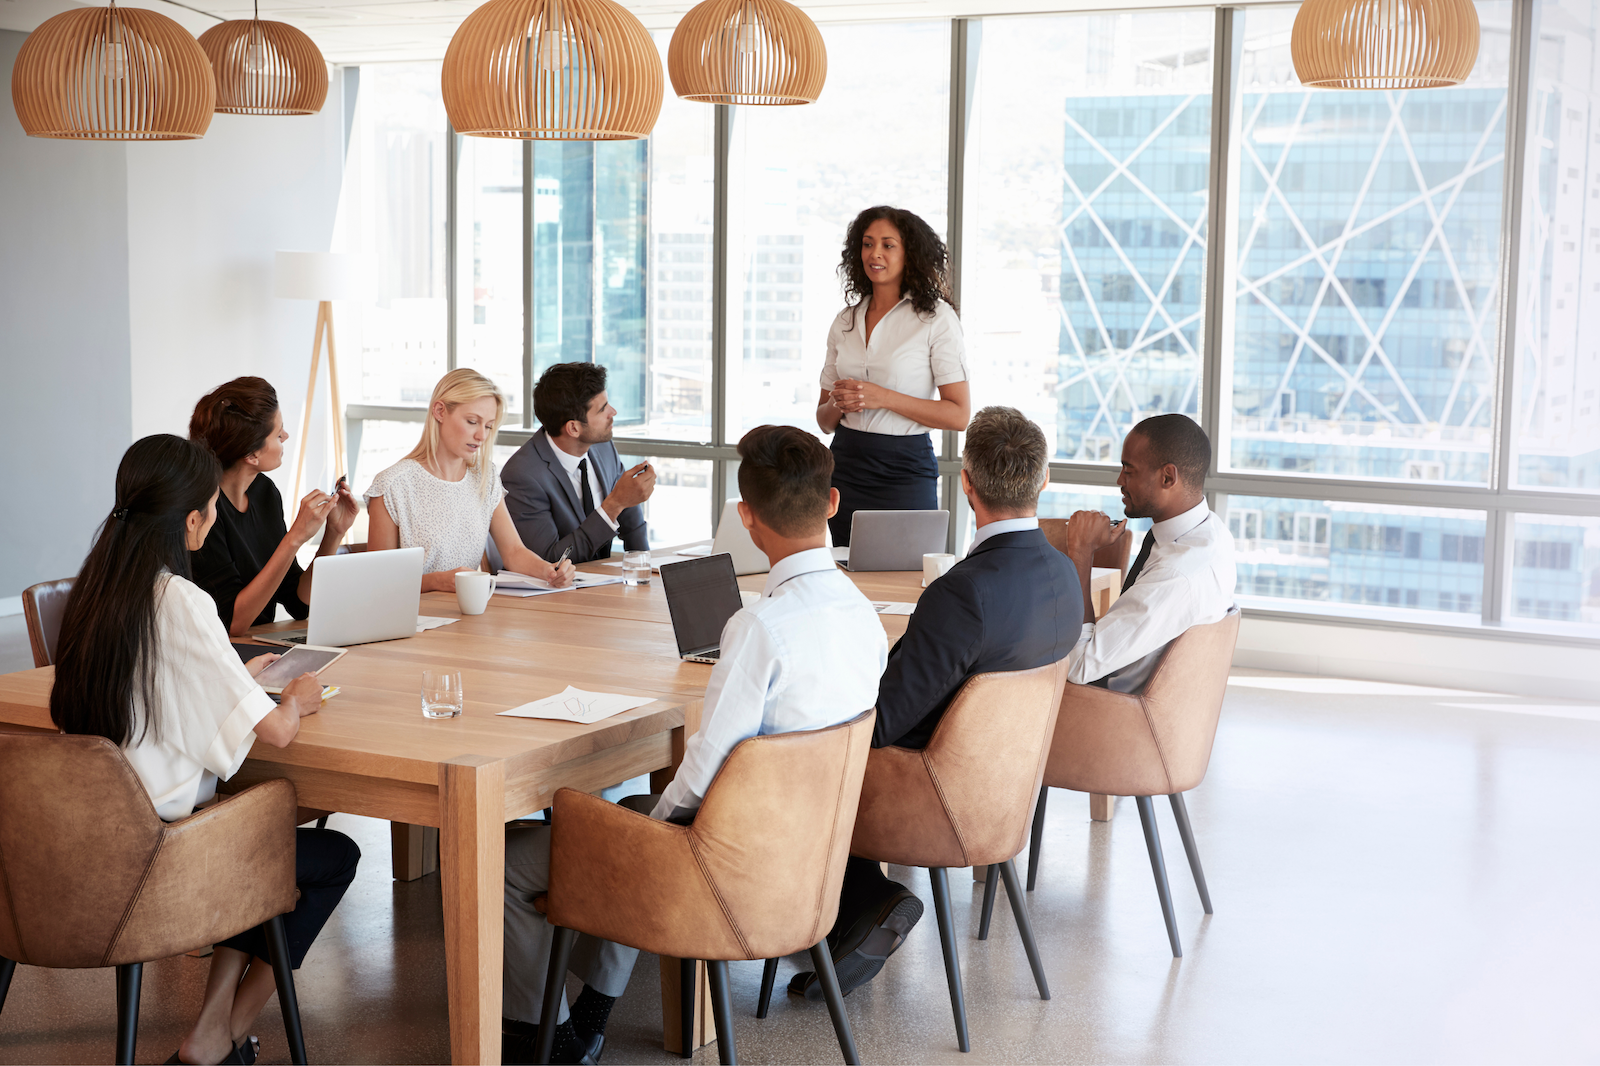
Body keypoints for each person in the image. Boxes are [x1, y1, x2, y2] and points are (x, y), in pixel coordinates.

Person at [499, 425, 888, 1065]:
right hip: (810, 859)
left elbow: (705, 771)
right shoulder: (862, 615)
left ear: (745, 517)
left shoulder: (760, 625)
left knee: (519, 854)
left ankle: (543, 1038)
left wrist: (647, 827)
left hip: (724, 869)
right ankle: (587, 1021)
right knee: (640, 817)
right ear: (834, 502)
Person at [49, 434, 360, 1066]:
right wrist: (296, 698)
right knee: (327, 854)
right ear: (193, 518)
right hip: (160, 860)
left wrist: (232, 681)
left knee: (257, 834)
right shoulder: (181, 600)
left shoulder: (94, 591)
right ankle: (224, 1032)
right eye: (212, 508)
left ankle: (213, 1034)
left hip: (77, 845)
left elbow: (150, 687)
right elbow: (274, 735)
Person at [787, 406, 1082, 1001]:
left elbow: (884, 722)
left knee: (788, 752)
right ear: (1043, 480)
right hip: (1001, 789)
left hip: (928, 791)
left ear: (966, 482)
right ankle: (862, 899)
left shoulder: (963, 592)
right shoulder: (1063, 573)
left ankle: (864, 899)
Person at [817, 205, 972, 545]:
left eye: (888, 245)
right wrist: (840, 403)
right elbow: (824, 420)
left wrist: (882, 397)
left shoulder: (936, 319)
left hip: (905, 469)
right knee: (849, 573)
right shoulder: (845, 321)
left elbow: (959, 414)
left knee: (906, 576)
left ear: (909, 254)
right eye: (868, 244)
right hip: (845, 467)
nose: (875, 254)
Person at [1061, 413, 1237, 692]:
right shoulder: (1212, 532)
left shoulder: (1174, 576)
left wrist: (1081, 554)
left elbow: (1079, 666)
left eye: (1129, 471)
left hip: (1106, 710)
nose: (1120, 480)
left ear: (1168, 477)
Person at [365, 368, 575, 592]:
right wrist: (436, 581)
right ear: (439, 411)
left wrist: (549, 571)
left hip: (470, 614)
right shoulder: (392, 486)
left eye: (488, 426)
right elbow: (379, 582)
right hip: (414, 619)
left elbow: (513, 551)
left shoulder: (485, 477)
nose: (481, 436)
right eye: (472, 421)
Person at [188, 377, 360, 637]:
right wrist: (294, 539)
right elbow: (232, 623)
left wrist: (334, 531)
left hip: (259, 648)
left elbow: (298, 601)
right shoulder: (204, 513)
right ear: (252, 454)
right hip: (226, 655)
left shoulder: (264, 492)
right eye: (278, 433)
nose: (286, 436)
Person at [502, 362, 654, 563]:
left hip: (604, 586)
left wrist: (645, 568)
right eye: (602, 409)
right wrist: (613, 504)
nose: (613, 412)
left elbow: (628, 512)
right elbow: (549, 561)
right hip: (555, 591)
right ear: (573, 428)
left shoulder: (602, 447)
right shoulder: (521, 475)